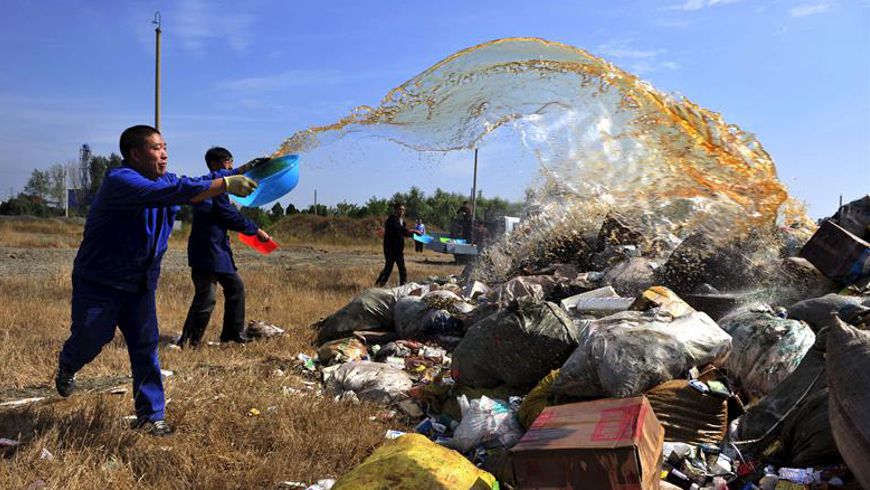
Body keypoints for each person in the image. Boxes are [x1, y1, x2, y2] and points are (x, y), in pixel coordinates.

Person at [55, 125, 257, 436]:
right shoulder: (120, 181)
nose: (164, 153)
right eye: (155, 148)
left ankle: (151, 417)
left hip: (140, 285)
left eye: (165, 147)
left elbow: (194, 186)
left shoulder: (167, 181)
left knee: (146, 346)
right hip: (100, 282)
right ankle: (69, 363)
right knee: (92, 337)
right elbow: (171, 192)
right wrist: (226, 182)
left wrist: (240, 173)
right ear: (135, 154)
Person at [176, 147, 271, 348]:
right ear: (216, 164)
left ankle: (232, 335)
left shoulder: (211, 183)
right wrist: (255, 230)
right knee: (207, 296)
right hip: (208, 250)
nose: (231, 167)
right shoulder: (212, 186)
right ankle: (189, 342)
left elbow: (226, 175)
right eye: (229, 162)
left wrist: (247, 167)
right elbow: (228, 214)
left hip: (216, 249)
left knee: (234, 287)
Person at [375, 202, 416, 287]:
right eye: (400, 209)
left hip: (398, 249)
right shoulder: (392, 219)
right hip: (390, 248)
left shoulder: (402, 222)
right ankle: (379, 284)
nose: (402, 211)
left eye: (403, 210)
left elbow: (404, 232)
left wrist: (413, 235)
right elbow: (399, 229)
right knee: (388, 267)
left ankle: (403, 286)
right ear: (396, 210)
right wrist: (411, 231)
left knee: (402, 268)